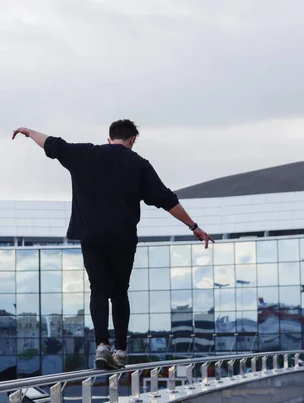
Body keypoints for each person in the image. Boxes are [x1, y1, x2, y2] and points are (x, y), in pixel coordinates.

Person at [12, 119, 214, 369]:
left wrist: (29, 132)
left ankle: (101, 346)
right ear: (132, 140)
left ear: (109, 139)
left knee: (98, 289)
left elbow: (54, 145)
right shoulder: (139, 164)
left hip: (91, 235)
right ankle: (120, 350)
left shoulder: (87, 154)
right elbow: (166, 198)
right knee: (119, 293)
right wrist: (194, 227)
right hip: (123, 238)